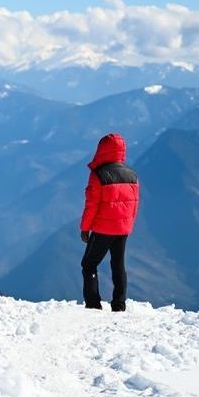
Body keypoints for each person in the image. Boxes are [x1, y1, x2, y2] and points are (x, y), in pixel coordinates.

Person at [80, 132, 139, 311]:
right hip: (123, 229)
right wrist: (128, 225)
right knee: (118, 264)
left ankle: (93, 305)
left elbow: (91, 205)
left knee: (89, 264)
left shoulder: (98, 175)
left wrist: (85, 228)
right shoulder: (132, 175)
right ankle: (119, 304)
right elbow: (134, 205)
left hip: (102, 229)